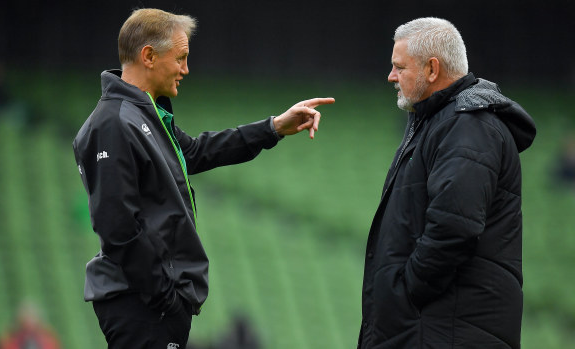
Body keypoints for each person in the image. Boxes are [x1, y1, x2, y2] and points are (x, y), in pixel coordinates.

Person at [72, 8, 334, 349]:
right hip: (141, 303)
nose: (186, 69)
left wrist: (272, 128)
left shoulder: (143, 114)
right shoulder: (114, 122)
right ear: (148, 56)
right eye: (180, 58)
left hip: (152, 303)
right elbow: (117, 225)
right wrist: (165, 295)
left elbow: (194, 152)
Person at [358, 17, 536, 348]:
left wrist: (407, 292)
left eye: (400, 67)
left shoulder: (467, 126)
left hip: (443, 333)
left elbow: (455, 226)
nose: (391, 77)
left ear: (432, 69)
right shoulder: (443, 123)